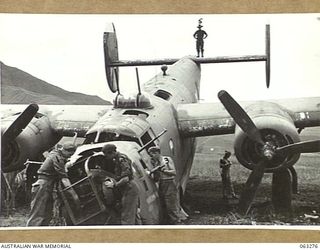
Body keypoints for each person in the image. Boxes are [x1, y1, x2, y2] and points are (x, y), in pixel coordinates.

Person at [26, 142, 78, 226]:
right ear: (64, 150)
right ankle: (31, 234)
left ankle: (42, 234)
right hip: (43, 184)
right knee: (38, 212)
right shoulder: (57, 157)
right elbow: (64, 178)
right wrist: (74, 194)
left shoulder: (57, 154)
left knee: (47, 212)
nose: (70, 156)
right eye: (69, 154)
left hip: (49, 185)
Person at [101, 144, 140, 225]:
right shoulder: (117, 159)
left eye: (107, 155)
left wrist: (114, 185)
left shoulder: (121, 159)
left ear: (112, 152)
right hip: (129, 188)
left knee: (127, 217)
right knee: (134, 215)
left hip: (129, 188)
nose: (107, 157)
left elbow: (126, 179)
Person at [148, 146, 181, 225]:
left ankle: (175, 222)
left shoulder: (166, 160)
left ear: (157, 153)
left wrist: (164, 170)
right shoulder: (154, 162)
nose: (151, 156)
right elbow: (156, 178)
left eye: (152, 154)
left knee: (171, 205)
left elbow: (174, 172)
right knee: (163, 203)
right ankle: (167, 222)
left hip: (169, 182)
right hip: (161, 183)